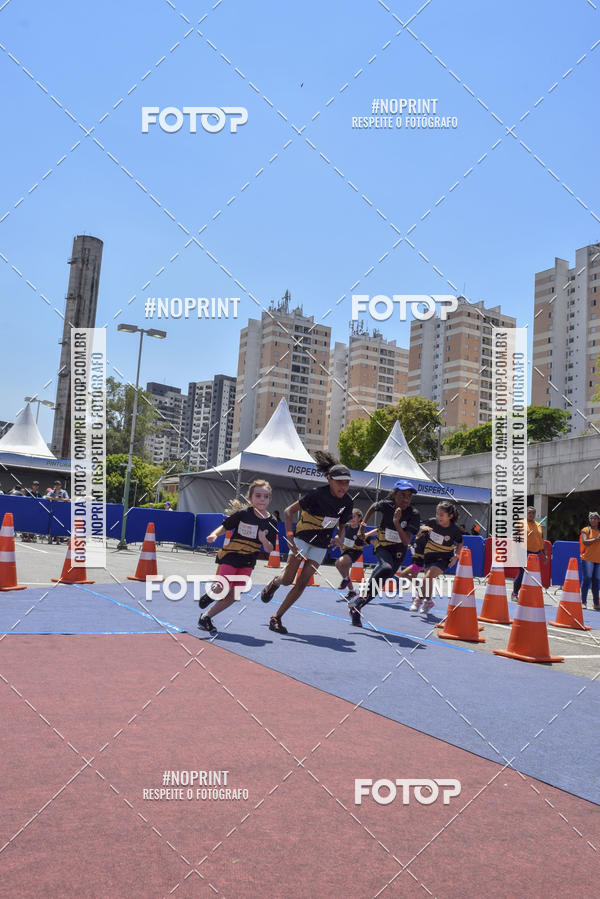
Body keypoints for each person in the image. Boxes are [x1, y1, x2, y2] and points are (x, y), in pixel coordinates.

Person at [260, 452, 353, 634]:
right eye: (340, 482)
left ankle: (276, 617)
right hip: (301, 540)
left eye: (347, 482)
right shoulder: (317, 494)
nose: (344, 486)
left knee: (302, 583)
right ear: (329, 480)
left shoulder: (348, 502)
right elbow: (288, 511)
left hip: (321, 545)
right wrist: (290, 537)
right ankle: (275, 583)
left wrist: (340, 537)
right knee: (288, 580)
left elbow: (343, 524)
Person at [197, 480, 277, 634]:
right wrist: (214, 534)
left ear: (269, 499)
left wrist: (263, 540)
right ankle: (212, 593)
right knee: (223, 586)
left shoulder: (272, 521)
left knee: (234, 594)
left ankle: (206, 617)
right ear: (250, 499)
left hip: (248, 560)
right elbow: (225, 526)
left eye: (266, 496)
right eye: (258, 496)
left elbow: (270, 549)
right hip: (232, 555)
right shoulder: (243, 514)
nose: (262, 499)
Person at [348, 480, 421, 627]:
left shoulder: (413, 514)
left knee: (376, 585)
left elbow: (406, 541)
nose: (406, 499)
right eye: (402, 495)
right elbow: (373, 507)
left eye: (409, 496)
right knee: (386, 568)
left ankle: (356, 609)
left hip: (399, 551)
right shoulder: (386, 504)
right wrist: (362, 525)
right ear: (394, 494)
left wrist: (396, 522)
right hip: (382, 546)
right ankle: (358, 601)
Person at [411, 501, 463, 613]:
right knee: (429, 579)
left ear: (450, 516)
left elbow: (459, 543)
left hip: (444, 558)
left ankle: (418, 599)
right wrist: (422, 530)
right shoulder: (432, 522)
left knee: (428, 576)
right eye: (437, 514)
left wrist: (456, 557)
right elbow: (421, 527)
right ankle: (428, 601)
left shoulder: (455, 530)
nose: (438, 517)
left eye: (442, 515)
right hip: (429, 555)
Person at [333, 509, 376, 599]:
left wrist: (377, 545)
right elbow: (338, 536)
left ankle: (346, 580)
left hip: (355, 551)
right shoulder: (345, 527)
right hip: (345, 551)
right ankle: (351, 591)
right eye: (350, 517)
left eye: (354, 517)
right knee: (338, 565)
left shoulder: (360, 529)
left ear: (359, 518)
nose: (351, 518)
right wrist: (337, 540)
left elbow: (370, 540)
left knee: (340, 562)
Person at [512, 506, 548, 599]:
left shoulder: (538, 525)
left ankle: (528, 595)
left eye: (533, 513)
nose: (531, 515)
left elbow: (541, 540)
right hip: (523, 551)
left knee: (533, 575)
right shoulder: (520, 523)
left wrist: (545, 554)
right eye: (529, 513)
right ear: (526, 513)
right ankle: (515, 593)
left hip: (536, 553)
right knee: (523, 572)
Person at [580, 511, 600, 610]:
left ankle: (596, 603)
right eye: (591, 518)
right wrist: (596, 539)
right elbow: (585, 542)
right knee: (587, 579)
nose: (593, 520)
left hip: (598, 560)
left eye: (595, 518)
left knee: (596, 581)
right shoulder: (586, 530)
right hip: (587, 559)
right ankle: (583, 602)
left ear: (598, 520)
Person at [46, 480, 69, 544]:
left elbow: (67, 499)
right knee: (51, 524)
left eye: (58, 485)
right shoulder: (52, 491)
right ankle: (50, 538)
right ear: (54, 486)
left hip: (61, 510)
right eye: (56, 485)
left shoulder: (64, 492)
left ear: (60, 485)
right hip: (52, 510)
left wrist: (61, 499)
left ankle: (58, 539)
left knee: (59, 524)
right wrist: (54, 498)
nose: (57, 486)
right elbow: (47, 496)